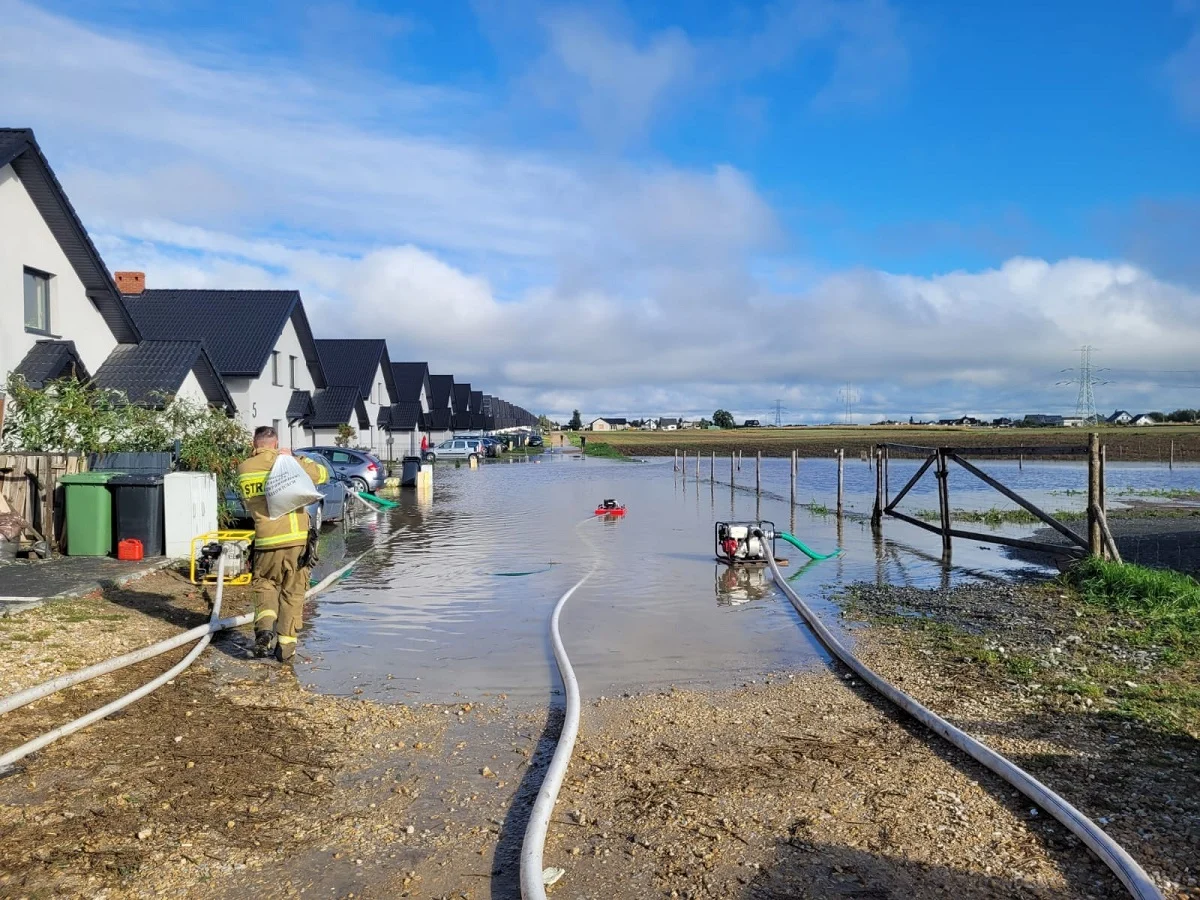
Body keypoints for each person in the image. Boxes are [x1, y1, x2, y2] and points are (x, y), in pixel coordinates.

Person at [236, 427, 328, 662]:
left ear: (253, 443)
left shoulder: (244, 468)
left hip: (266, 541)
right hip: (297, 542)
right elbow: (321, 474)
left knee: (265, 584)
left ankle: (264, 629)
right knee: (292, 594)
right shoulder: (286, 462)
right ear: (276, 444)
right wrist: (294, 456)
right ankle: (285, 651)